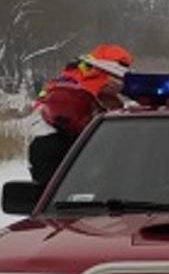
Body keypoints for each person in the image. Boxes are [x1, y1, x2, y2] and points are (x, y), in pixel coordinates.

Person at [28, 44, 132, 185]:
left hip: (42, 141)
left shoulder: (67, 76)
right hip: (72, 144)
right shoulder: (99, 77)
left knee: (49, 189)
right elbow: (114, 114)